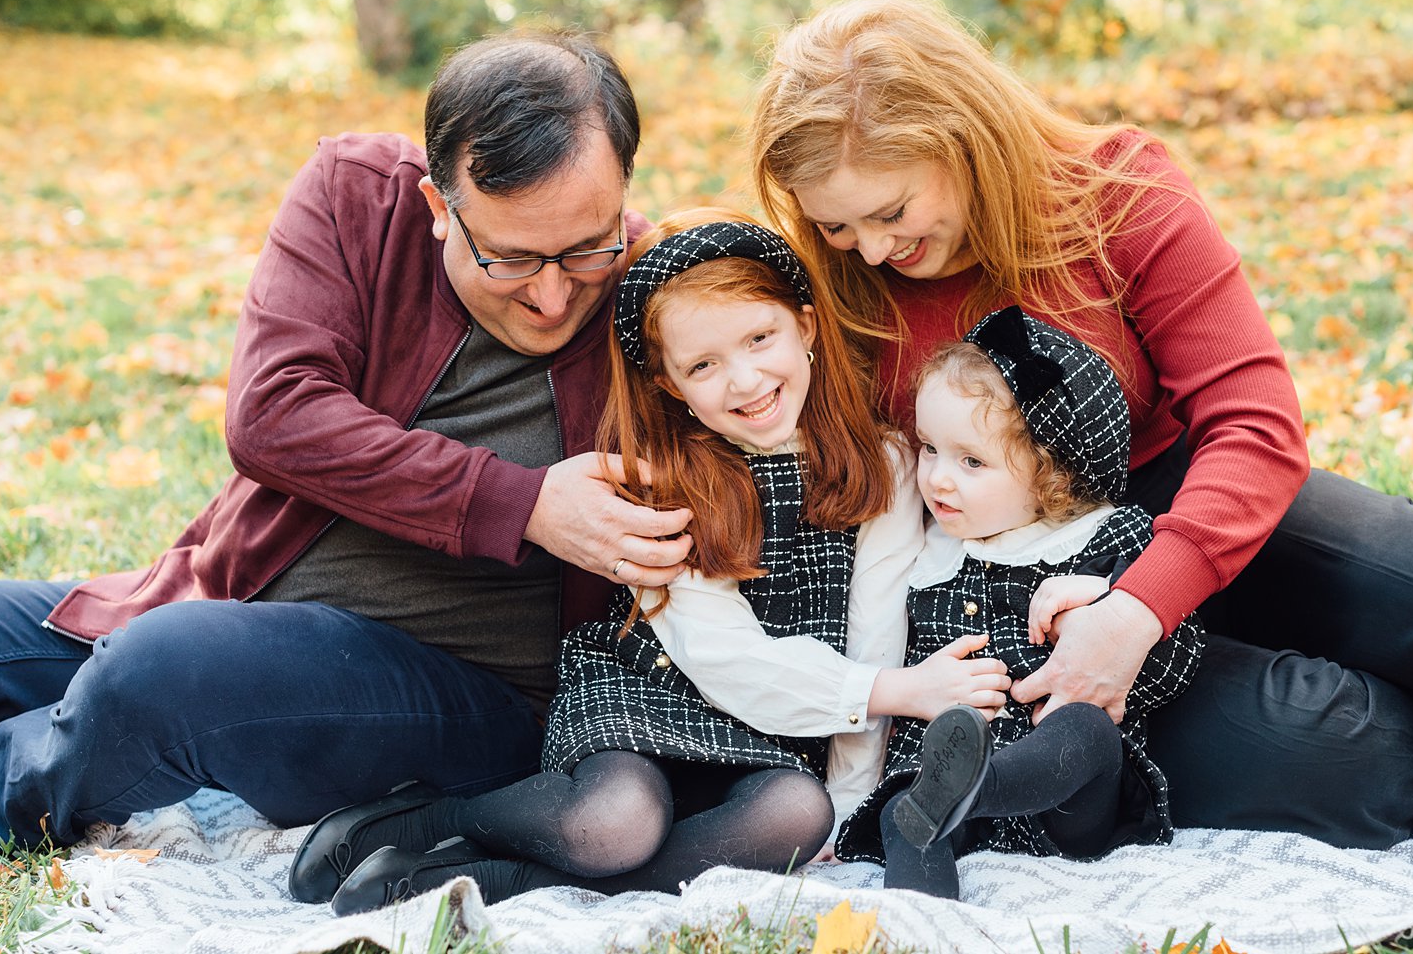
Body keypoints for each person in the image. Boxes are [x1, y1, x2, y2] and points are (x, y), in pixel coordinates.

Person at [747, 0, 1413, 848]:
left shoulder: (1112, 188)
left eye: (891, 212)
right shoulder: (829, 290)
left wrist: (1141, 607)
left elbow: (1254, 422)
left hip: (1189, 499)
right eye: (837, 224)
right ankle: (1371, 707)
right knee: (1366, 762)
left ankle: (1342, 654)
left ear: (966, 141)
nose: (872, 250)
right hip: (1015, 586)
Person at [0, 30, 696, 852]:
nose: (550, 294)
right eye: (510, 258)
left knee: (157, 672)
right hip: (228, 593)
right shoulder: (358, 197)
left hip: (466, 703)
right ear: (440, 209)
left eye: (585, 248)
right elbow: (272, 413)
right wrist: (525, 502)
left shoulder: (663, 294)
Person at [290, 211, 1010, 915]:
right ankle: (424, 821)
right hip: (652, 693)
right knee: (614, 821)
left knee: (798, 813)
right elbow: (725, 658)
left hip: (776, 729)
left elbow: (873, 635)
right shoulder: (664, 481)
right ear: (668, 383)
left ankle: (502, 879)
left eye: (761, 337)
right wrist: (898, 689)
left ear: (808, 326)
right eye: (703, 364)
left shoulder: (880, 464)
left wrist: (850, 806)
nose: (745, 380)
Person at [832, 307, 1203, 900]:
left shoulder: (1104, 543)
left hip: (1068, 805)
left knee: (1085, 731)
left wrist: (1107, 602)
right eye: (929, 448)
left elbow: (1178, 665)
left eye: (972, 461)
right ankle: (926, 919)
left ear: (1051, 475)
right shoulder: (920, 551)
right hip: (937, 778)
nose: (938, 480)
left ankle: (970, 789)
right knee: (904, 815)